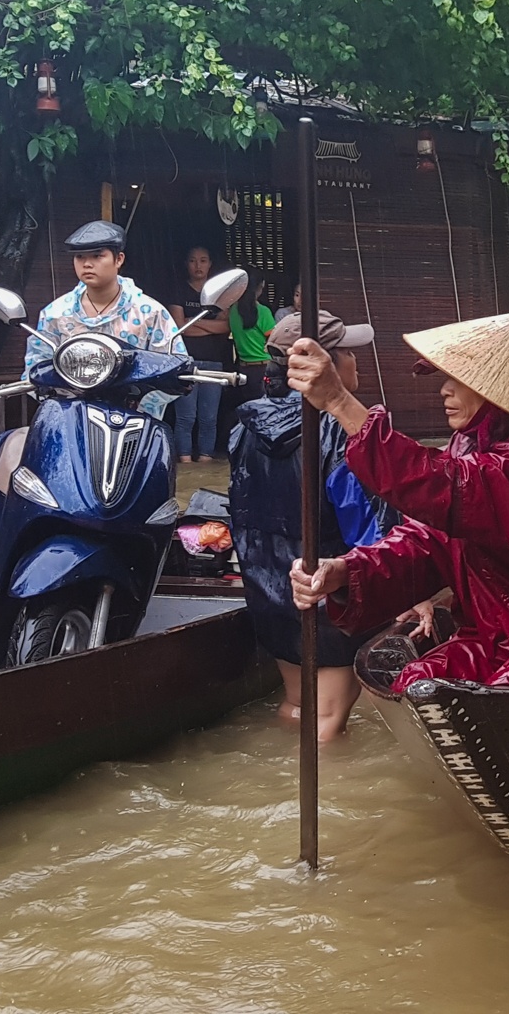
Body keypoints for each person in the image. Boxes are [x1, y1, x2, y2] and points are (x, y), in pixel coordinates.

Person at [285, 308, 509, 692]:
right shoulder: (468, 445)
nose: (444, 390)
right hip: (497, 636)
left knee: (505, 697)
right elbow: (428, 541)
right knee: (417, 682)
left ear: (497, 390)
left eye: (459, 380)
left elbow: (444, 488)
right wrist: (347, 573)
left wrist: (340, 402)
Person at [230, 310, 400, 741]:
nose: (356, 361)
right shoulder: (339, 432)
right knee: (327, 717)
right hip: (329, 596)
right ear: (326, 364)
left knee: (298, 704)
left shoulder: (245, 428)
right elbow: (367, 524)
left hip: (269, 591)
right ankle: (328, 783)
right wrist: (400, 593)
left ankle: (280, 768)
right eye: (348, 352)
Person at [29, 221, 183, 416]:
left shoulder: (150, 313)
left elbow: (174, 368)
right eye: (79, 256)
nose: (87, 264)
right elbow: (37, 369)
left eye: (97, 255)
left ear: (119, 259)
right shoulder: (55, 314)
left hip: (135, 420)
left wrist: (138, 402)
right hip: (72, 420)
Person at [168, 245, 232, 462]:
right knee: (186, 417)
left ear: (210, 264)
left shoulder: (219, 294)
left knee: (209, 418)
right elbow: (179, 328)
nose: (198, 265)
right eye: (193, 260)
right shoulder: (178, 290)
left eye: (203, 260)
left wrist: (192, 322)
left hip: (214, 362)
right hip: (186, 361)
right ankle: (185, 463)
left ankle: (205, 461)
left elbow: (226, 327)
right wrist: (210, 325)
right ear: (186, 264)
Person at [227, 271, 277, 404]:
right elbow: (275, 340)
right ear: (262, 286)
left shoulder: (233, 310)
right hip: (263, 368)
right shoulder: (263, 311)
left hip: (243, 369)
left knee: (249, 408)